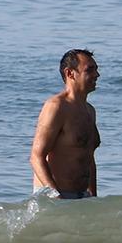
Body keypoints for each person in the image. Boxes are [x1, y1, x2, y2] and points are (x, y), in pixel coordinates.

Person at [30, 49, 101, 199]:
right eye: (90, 70)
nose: (97, 75)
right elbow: (36, 157)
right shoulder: (56, 107)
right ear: (70, 73)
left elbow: (89, 157)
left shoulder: (90, 111)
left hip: (82, 196)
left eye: (97, 69)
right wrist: (56, 197)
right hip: (55, 197)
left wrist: (93, 197)